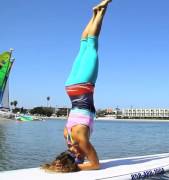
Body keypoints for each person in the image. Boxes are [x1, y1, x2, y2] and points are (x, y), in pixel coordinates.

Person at [42, 0, 112, 172]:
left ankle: (102, 11)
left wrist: (77, 167)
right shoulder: (67, 136)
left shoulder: (81, 140)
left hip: (83, 86)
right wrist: (73, 159)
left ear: (73, 158)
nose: (82, 156)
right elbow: (79, 153)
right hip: (71, 88)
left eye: (79, 157)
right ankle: (94, 13)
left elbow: (95, 165)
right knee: (83, 46)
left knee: (92, 45)